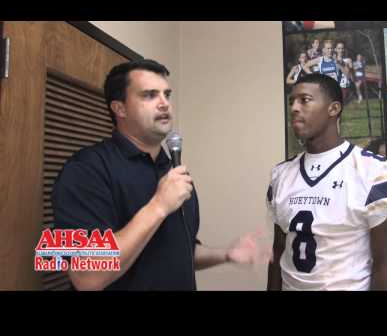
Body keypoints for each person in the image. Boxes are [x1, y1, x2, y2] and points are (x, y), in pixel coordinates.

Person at [52, 59, 271, 291]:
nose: (164, 103)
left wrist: (226, 254)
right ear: (120, 108)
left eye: (167, 94)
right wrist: (158, 206)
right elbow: (86, 276)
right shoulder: (87, 169)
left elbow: (178, 249)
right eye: (149, 95)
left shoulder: (173, 171)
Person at [267, 73, 387, 291]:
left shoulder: (375, 172)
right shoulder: (281, 174)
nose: (294, 107)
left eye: (304, 100)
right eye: (291, 101)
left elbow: (386, 264)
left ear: (333, 109)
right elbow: (278, 252)